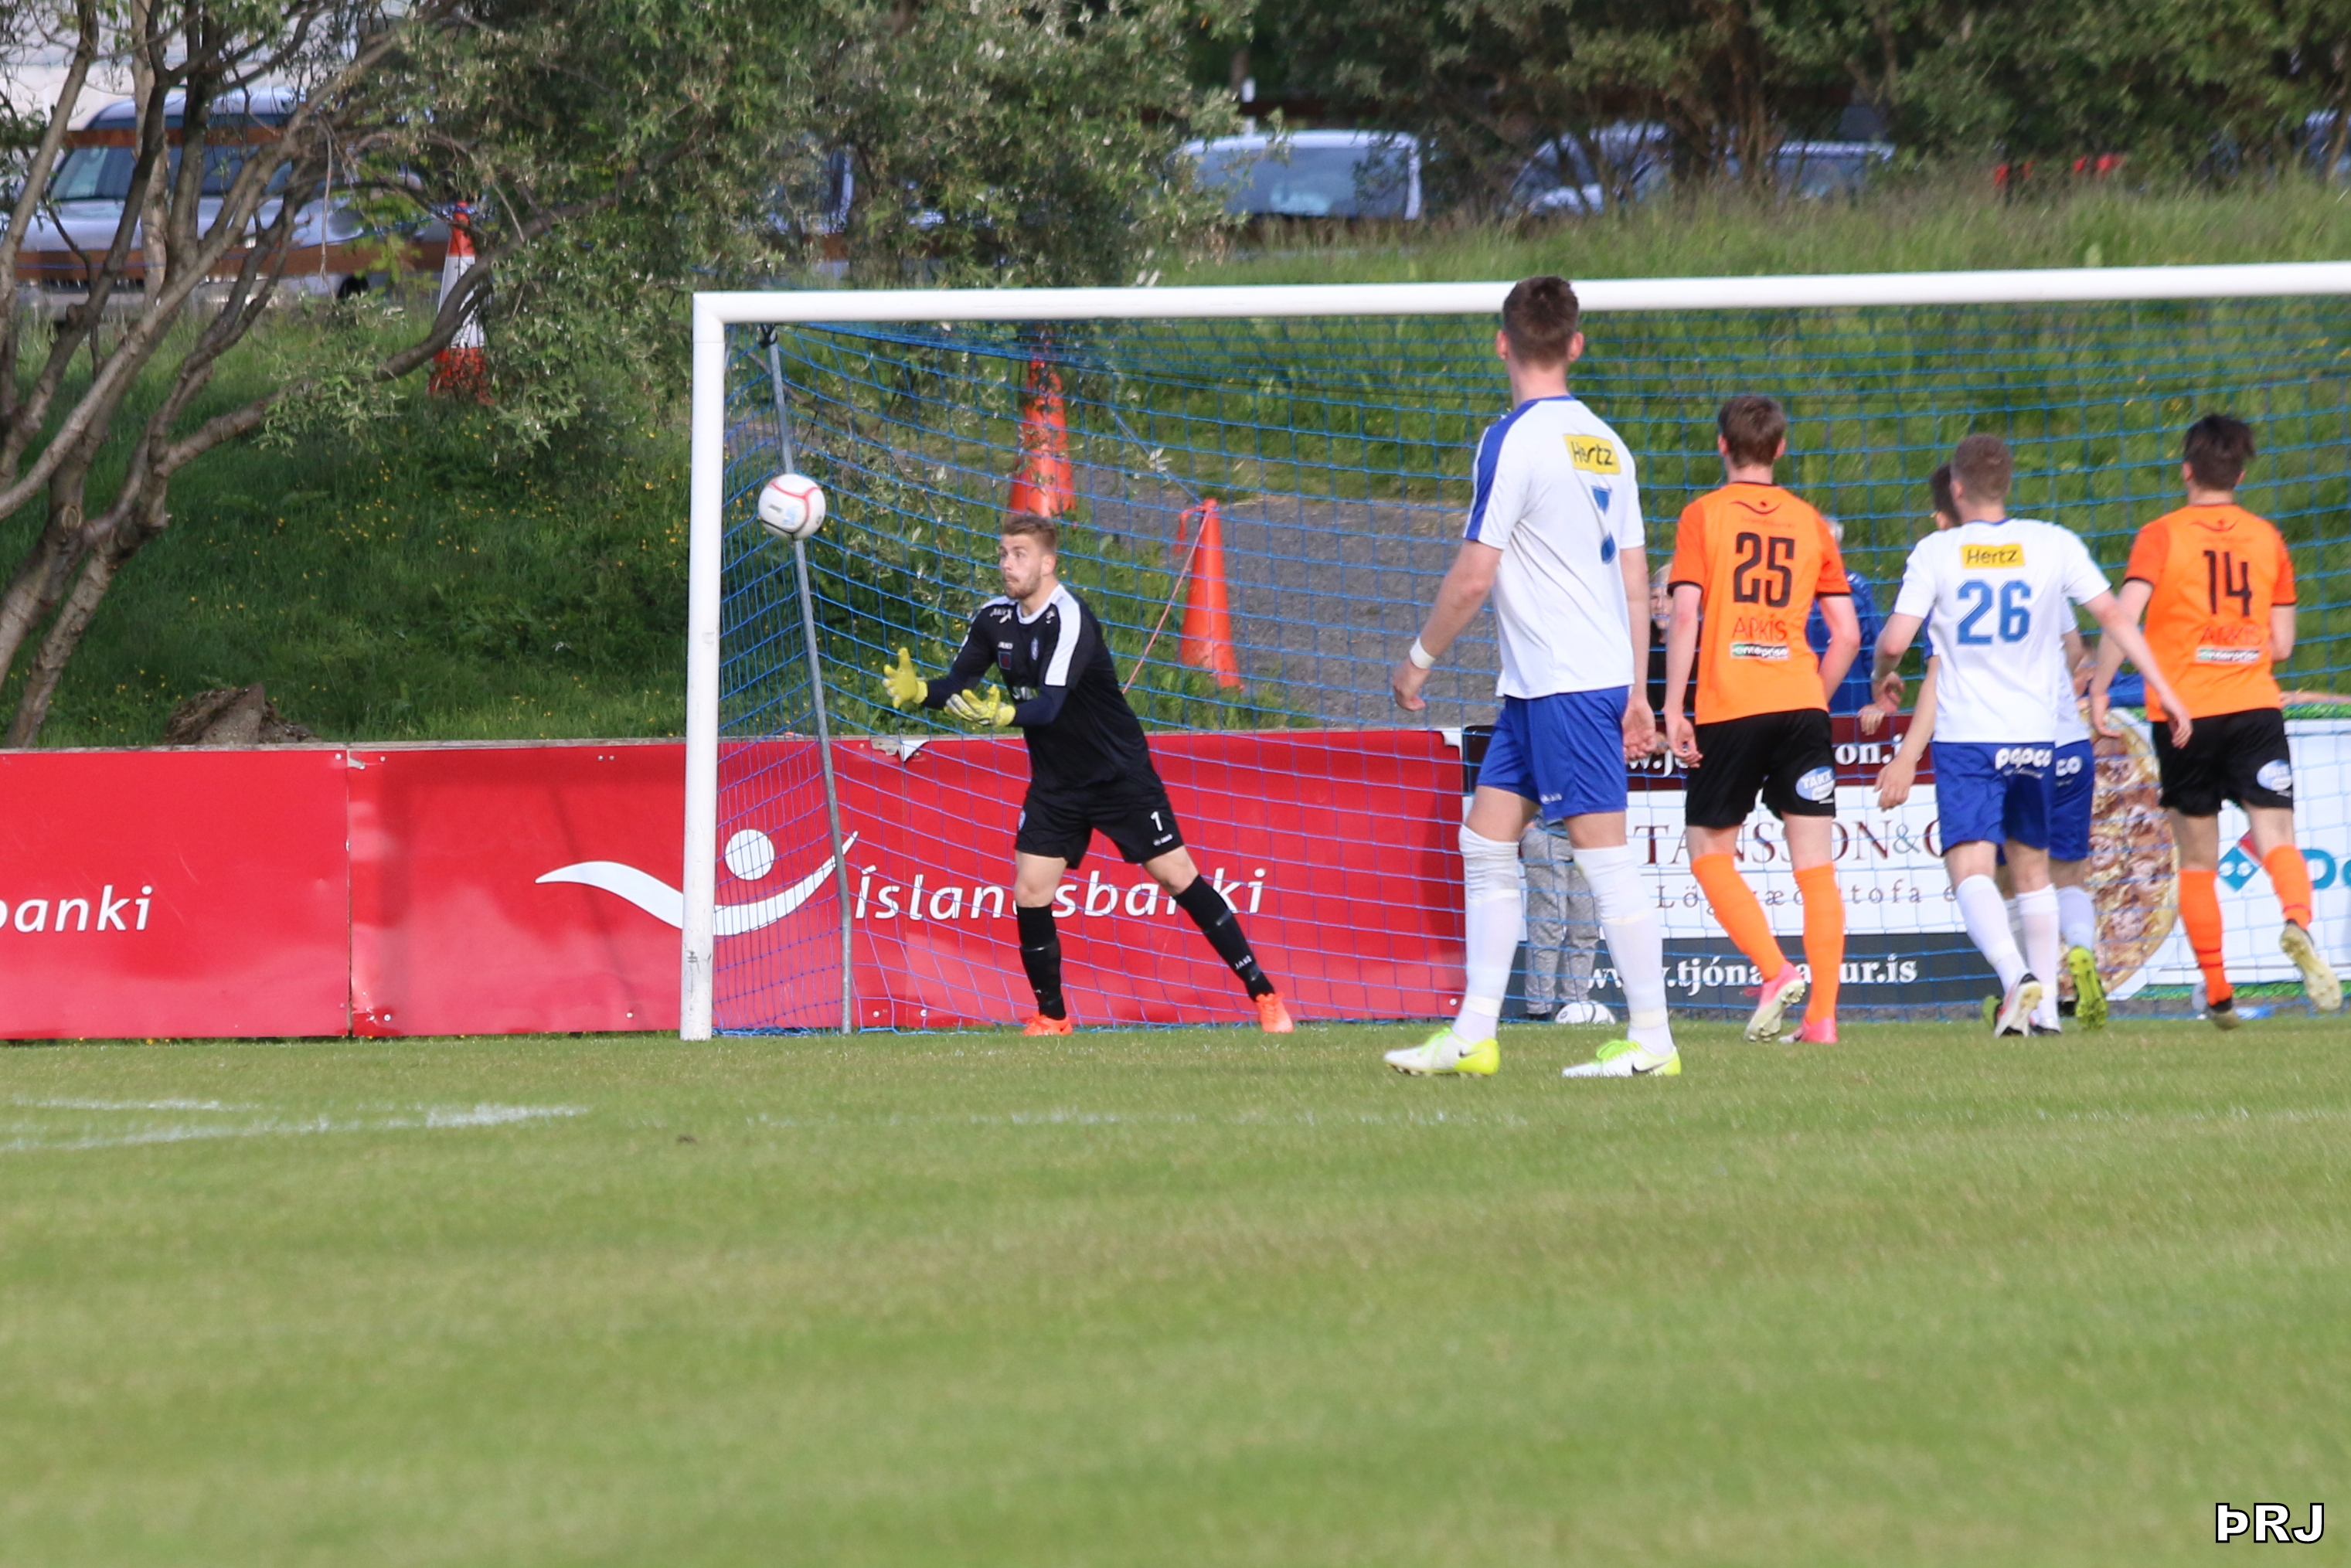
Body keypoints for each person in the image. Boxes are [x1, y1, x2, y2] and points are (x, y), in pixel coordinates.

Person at [1386, 274, 1677, 1080]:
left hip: (1565, 682)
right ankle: (1473, 1033)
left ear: (1501, 344)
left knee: (1602, 857)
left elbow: (1474, 575)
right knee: (1485, 840)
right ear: (1575, 345)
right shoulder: (1608, 443)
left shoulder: (1509, 439)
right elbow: (1634, 575)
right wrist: (1638, 689)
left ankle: (1654, 1040)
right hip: (1546, 683)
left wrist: (1419, 659)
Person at [880, 512, 1295, 1036]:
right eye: (1004, 553)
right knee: (1030, 890)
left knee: (1177, 877)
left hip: (1117, 774)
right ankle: (1052, 1016)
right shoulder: (993, 619)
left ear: (1048, 563)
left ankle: (1264, 994)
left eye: (1020, 554)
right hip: (1056, 783)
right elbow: (959, 683)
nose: (1007, 564)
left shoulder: (1070, 617)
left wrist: (1004, 715)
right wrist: (923, 692)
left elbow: (1050, 705)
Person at [1870, 434, 2189, 1036]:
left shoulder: (1937, 551)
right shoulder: (2052, 542)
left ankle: (2016, 977)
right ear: (2007, 484)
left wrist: (1882, 673)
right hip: (2038, 735)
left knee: (1971, 868)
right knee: (2035, 870)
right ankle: (2043, 1016)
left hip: (1968, 735)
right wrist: (2166, 690)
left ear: (1956, 488)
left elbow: (1894, 640)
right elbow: (2113, 616)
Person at [2089, 413, 2343, 1024]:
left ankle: (2219, 990)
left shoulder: (2160, 535)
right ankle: (2297, 921)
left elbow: (2123, 617)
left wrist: (2098, 686)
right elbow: (2283, 644)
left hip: (2185, 714)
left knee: (2198, 859)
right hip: (2254, 705)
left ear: (2186, 471)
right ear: (2241, 475)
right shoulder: (2268, 539)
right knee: (2278, 838)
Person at [1872, 467, 2104, 1030]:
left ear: (1947, 510)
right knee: (2050, 873)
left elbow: (1930, 671)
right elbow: (2078, 651)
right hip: (2057, 738)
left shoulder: (1942, 562)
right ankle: (2057, 988)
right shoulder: (2044, 555)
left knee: (1982, 871)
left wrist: (1905, 752)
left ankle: (2016, 979)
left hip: (1979, 735)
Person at [1662, 395, 1860, 1044]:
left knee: (1707, 850)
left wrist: (1674, 706)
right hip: (1800, 701)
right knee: (1816, 867)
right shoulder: (1811, 522)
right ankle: (1822, 1018)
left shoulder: (1702, 515)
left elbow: (1684, 614)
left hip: (1731, 704)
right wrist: (1812, 698)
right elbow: (1847, 634)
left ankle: (1776, 970)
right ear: (1780, 448)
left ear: (1722, 445)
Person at [1519, 821, 1613, 1025]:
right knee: (1546, 928)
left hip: (1591, 840)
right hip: (1547, 836)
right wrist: (1527, 826)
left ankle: (1575, 1007)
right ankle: (1538, 1012)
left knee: (1586, 929)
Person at [1807, 517, 1885, 715]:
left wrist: (1878, 702)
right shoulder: (1790, 589)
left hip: (1851, 699)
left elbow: (1873, 646)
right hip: (1799, 696)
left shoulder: (1856, 588)